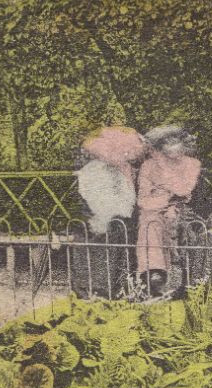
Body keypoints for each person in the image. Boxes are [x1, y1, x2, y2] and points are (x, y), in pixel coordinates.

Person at [71, 125, 145, 298]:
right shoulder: (93, 171)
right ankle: (94, 288)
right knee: (101, 236)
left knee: (122, 231)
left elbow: (128, 199)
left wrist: (122, 213)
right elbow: (93, 198)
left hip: (116, 217)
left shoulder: (122, 170)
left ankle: (118, 286)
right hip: (95, 214)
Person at [135, 125, 202, 299]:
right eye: (166, 142)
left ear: (184, 143)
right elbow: (143, 199)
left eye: (176, 141)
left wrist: (164, 176)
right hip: (155, 209)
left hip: (184, 209)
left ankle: (189, 279)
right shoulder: (148, 166)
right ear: (160, 146)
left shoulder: (192, 164)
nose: (172, 146)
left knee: (182, 223)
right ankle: (154, 273)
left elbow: (183, 190)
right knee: (150, 222)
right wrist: (164, 200)